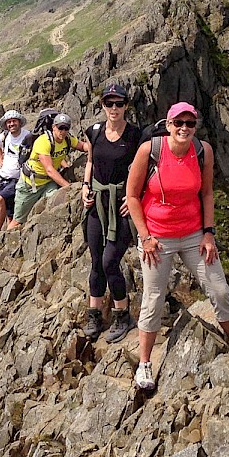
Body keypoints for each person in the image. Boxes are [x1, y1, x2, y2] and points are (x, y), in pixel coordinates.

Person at [125, 102, 229, 390]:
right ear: (168, 125)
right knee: (153, 299)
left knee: (220, 290)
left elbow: (206, 194)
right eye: (178, 123)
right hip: (157, 237)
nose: (184, 129)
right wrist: (145, 237)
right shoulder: (150, 151)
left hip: (193, 235)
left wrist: (209, 233)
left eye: (190, 124)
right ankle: (144, 365)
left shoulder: (202, 151)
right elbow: (131, 196)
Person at [81, 83, 143, 342]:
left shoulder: (135, 135)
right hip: (97, 203)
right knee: (96, 261)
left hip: (120, 205)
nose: (114, 108)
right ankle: (94, 314)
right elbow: (91, 162)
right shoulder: (94, 132)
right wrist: (85, 187)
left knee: (109, 262)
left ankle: (122, 314)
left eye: (119, 103)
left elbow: (145, 169)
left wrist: (134, 197)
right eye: (109, 103)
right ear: (103, 106)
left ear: (126, 105)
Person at [9, 112, 89, 228]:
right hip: (30, 185)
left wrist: (95, 147)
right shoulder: (44, 142)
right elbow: (49, 170)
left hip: (48, 184)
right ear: (53, 127)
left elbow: (82, 146)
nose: (63, 131)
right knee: (18, 221)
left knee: (56, 207)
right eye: (60, 127)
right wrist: (70, 187)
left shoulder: (68, 139)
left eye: (66, 128)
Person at [0, 110, 31, 231]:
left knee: (0, 200)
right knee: (10, 212)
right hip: (4, 178)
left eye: (14, 121)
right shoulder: (4, 136)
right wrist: (0, 161)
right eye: (9, 122)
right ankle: (8, 234)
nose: (11, 124)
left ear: (19, 122)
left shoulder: (28, 136)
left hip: (19, 179)